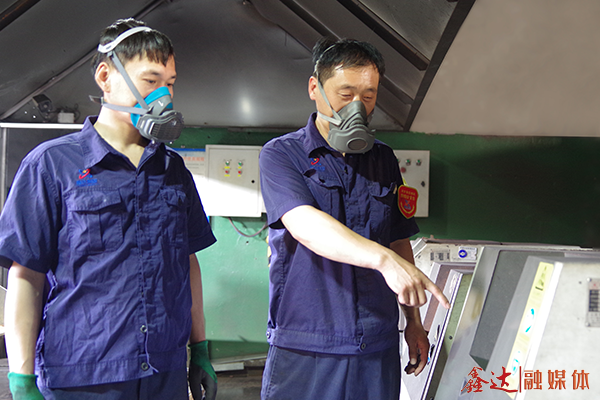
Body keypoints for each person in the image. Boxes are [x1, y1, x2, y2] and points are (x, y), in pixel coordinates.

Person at [1, 18, 217, 400]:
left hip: (163, 373)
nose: (164, 97)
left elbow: (187, 263)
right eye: (151, 81)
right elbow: (26, 275)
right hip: (82, 378)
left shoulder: (172, 170)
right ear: (105, 77)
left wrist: (199, 347)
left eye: (170, 83)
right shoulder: (51, 165)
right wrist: (21, 378)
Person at [259, 38, 450, 400]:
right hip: (307, 347)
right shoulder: (282, 155)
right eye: (346, 95)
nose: (357, 108)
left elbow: (398, 240)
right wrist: (384, 260)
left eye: (368, 96)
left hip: (375, 345)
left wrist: (413, 322)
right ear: (314, 88)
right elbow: (306, 225)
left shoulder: (383, 160)